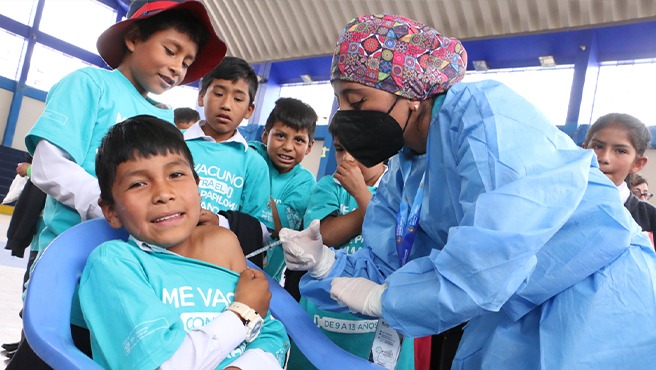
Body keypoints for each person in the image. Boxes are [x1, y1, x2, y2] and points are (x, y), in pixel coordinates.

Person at [280, 13, 656, 369]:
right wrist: (326, 264)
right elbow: (392, 261)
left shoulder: (483, 117)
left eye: (357, 100)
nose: (344, 115)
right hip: (514, 307)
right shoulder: (408, 165)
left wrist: (386, 299)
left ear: (409, 90)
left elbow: (493, 256)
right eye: (340, 102)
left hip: (596, 297)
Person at [10, 1, 226, 368]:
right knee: (49, 354)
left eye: (187, 62)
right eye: (170, 50)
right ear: (134, 37)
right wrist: (114, 206)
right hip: (69, 267)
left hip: (130, 279)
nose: (177, 67)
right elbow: (47, 164)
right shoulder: (90, 84)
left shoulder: (165, 120)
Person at [79, 115, 289, 369]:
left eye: (176, 174)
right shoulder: (114, 263)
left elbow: (272, 336)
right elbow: (161, 364)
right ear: (111, 210)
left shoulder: (222, 250)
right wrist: (242, 314)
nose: (164, 194)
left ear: (197, 186)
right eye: (138, 183)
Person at [287, 126, 415, 369]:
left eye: (357, 150)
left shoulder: (402, 189)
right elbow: (324, 236)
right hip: (325, 311)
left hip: (377, 319)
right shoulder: (329, 186)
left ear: (383, 151)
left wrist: (360, 193)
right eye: (340, 149)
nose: (347, 158)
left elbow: (395, 243)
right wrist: (370, 208)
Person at [184, 56, 272, 267]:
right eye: (219, 93)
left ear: (250, 110)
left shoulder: (254, 163)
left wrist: (221, 222)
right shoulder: (173, 143)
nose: (226, 104)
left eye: (238, 99)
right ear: (202, 96)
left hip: (217, 262)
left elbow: (261, 231)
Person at [248, 97, 317, 284]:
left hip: (268, 279)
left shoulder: (305, 182)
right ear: (265, 136)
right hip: (226, 263)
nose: (287, 146)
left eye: (299, 140)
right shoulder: (250, 157)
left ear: (309, 147)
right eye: (280, 136)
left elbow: (283, 232)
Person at [583, 112, 656, 245]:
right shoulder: (556, 201)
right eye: (598, 146)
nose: (604, 158)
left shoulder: (650, 219)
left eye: (620, 151)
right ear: (583, 150)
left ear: (637, 163)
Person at [2, 156, 46, 360]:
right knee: (28, 288)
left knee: (37, 292)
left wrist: (30, 170)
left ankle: (29, 347)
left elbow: (57, 176)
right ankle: (24, 341)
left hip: (54, 231)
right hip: (41, 228)